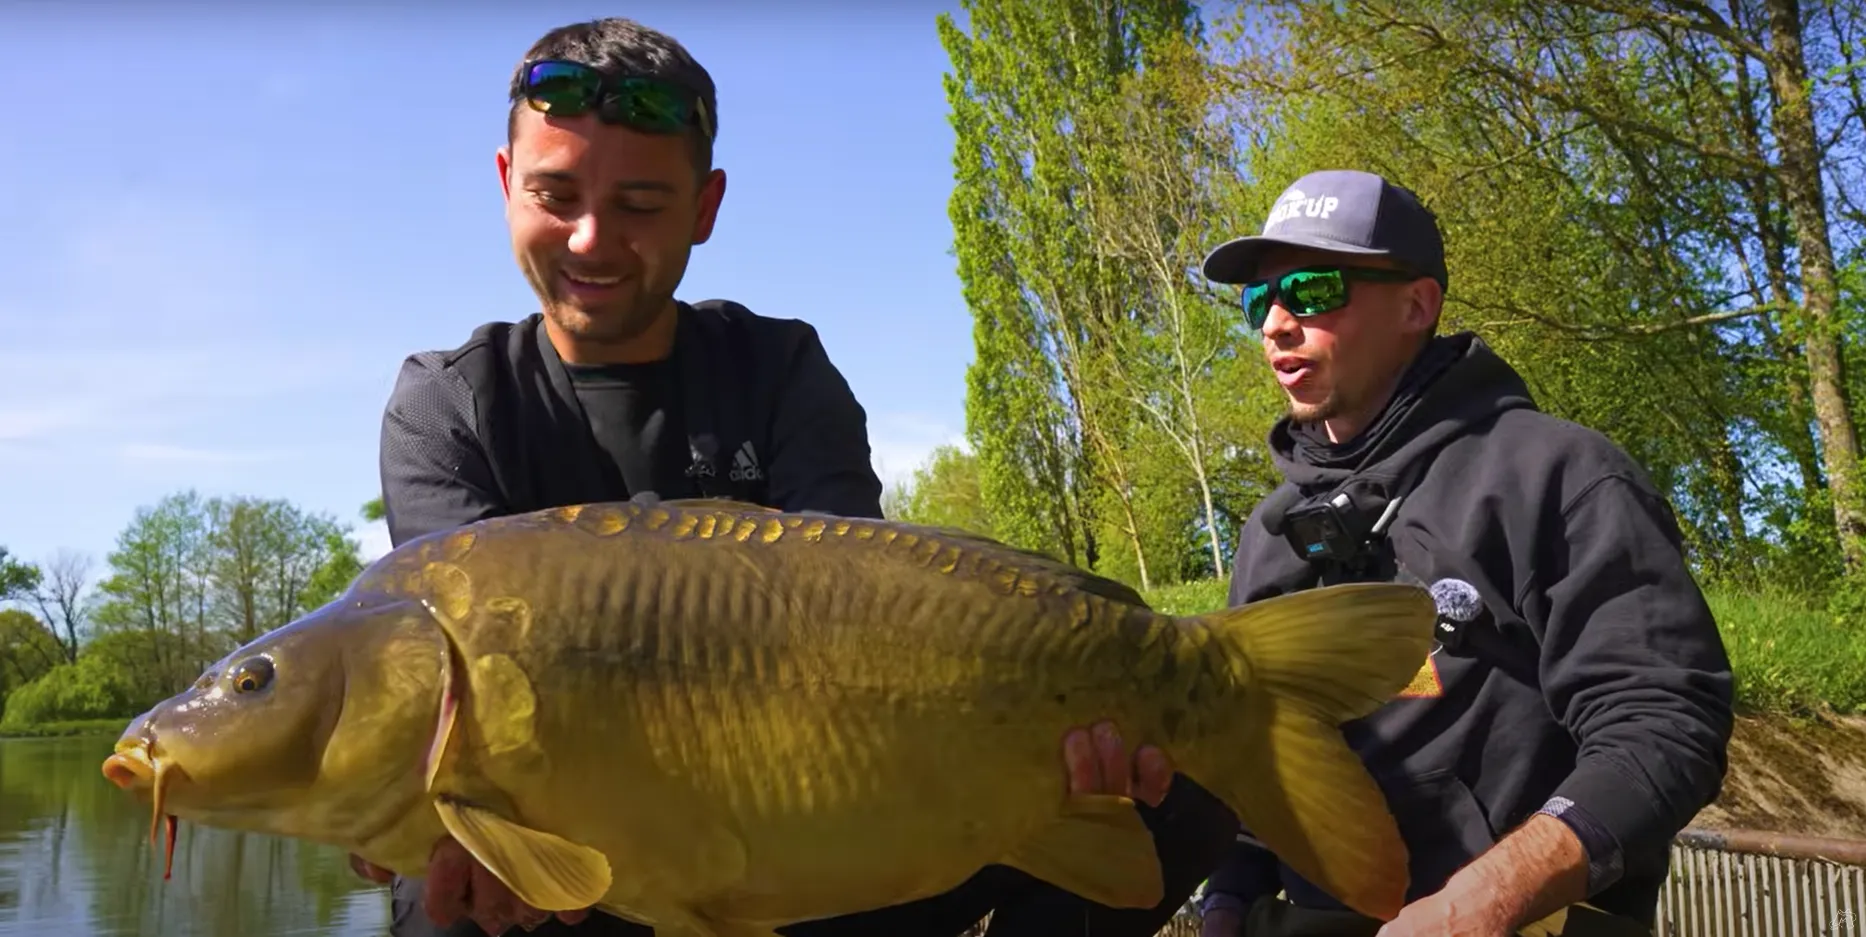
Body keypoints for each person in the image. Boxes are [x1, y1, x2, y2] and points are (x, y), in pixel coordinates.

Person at [355, 16, 1234, 937]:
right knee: (445, 896)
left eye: (642, 205)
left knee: (1186, 794)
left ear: (705, 206)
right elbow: (450, 695)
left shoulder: (780, 369)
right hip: (576, 842)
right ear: (505, 184)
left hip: (802, 810)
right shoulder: (448, 404)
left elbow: (871, 620)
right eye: (555, 194)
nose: (590, 239)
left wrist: (1051, 749)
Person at [1187, 169, 1735, 937]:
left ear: (1417, 304)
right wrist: (1225, 900)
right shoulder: (1268, 532)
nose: (1276, 323)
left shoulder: (1559, 475)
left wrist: (1479, 905)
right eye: (1260, 300)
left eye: (1311, 291)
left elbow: (1663, 723)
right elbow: (1259, 763)